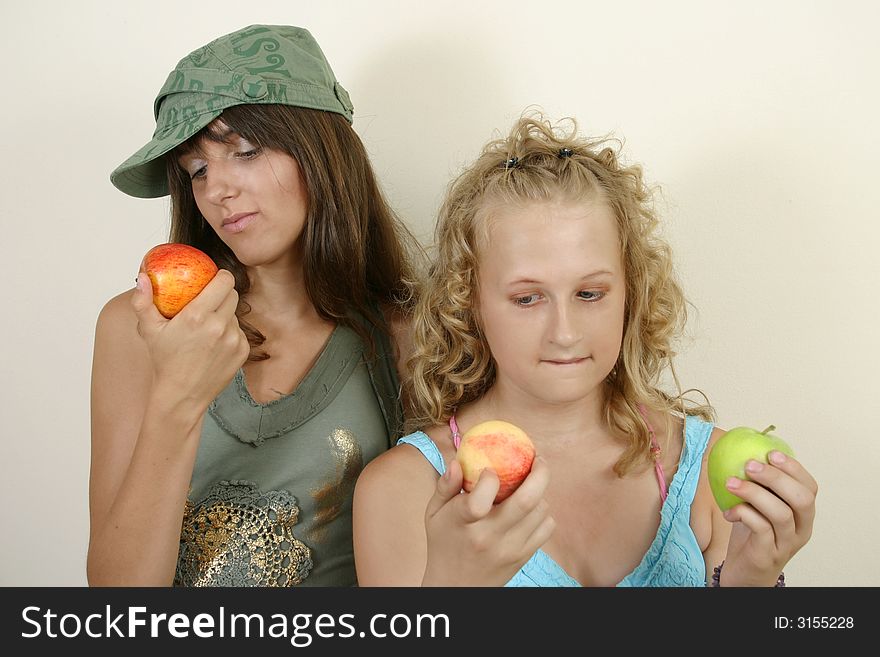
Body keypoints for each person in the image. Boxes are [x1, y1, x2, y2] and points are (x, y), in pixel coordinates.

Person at [352, 113, 817, 586]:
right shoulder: (404, 490)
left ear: (630, 291)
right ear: (468, 302)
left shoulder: (707, 473)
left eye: (590, 294)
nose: (565, 332)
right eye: (528, 298)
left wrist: (752, 578)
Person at [87, 24, 421, 586]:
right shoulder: (137, 326)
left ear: (321, 153)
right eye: (197, 170)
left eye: (244, 150)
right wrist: (179, 395)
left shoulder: (403, 335)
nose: (216, 188)